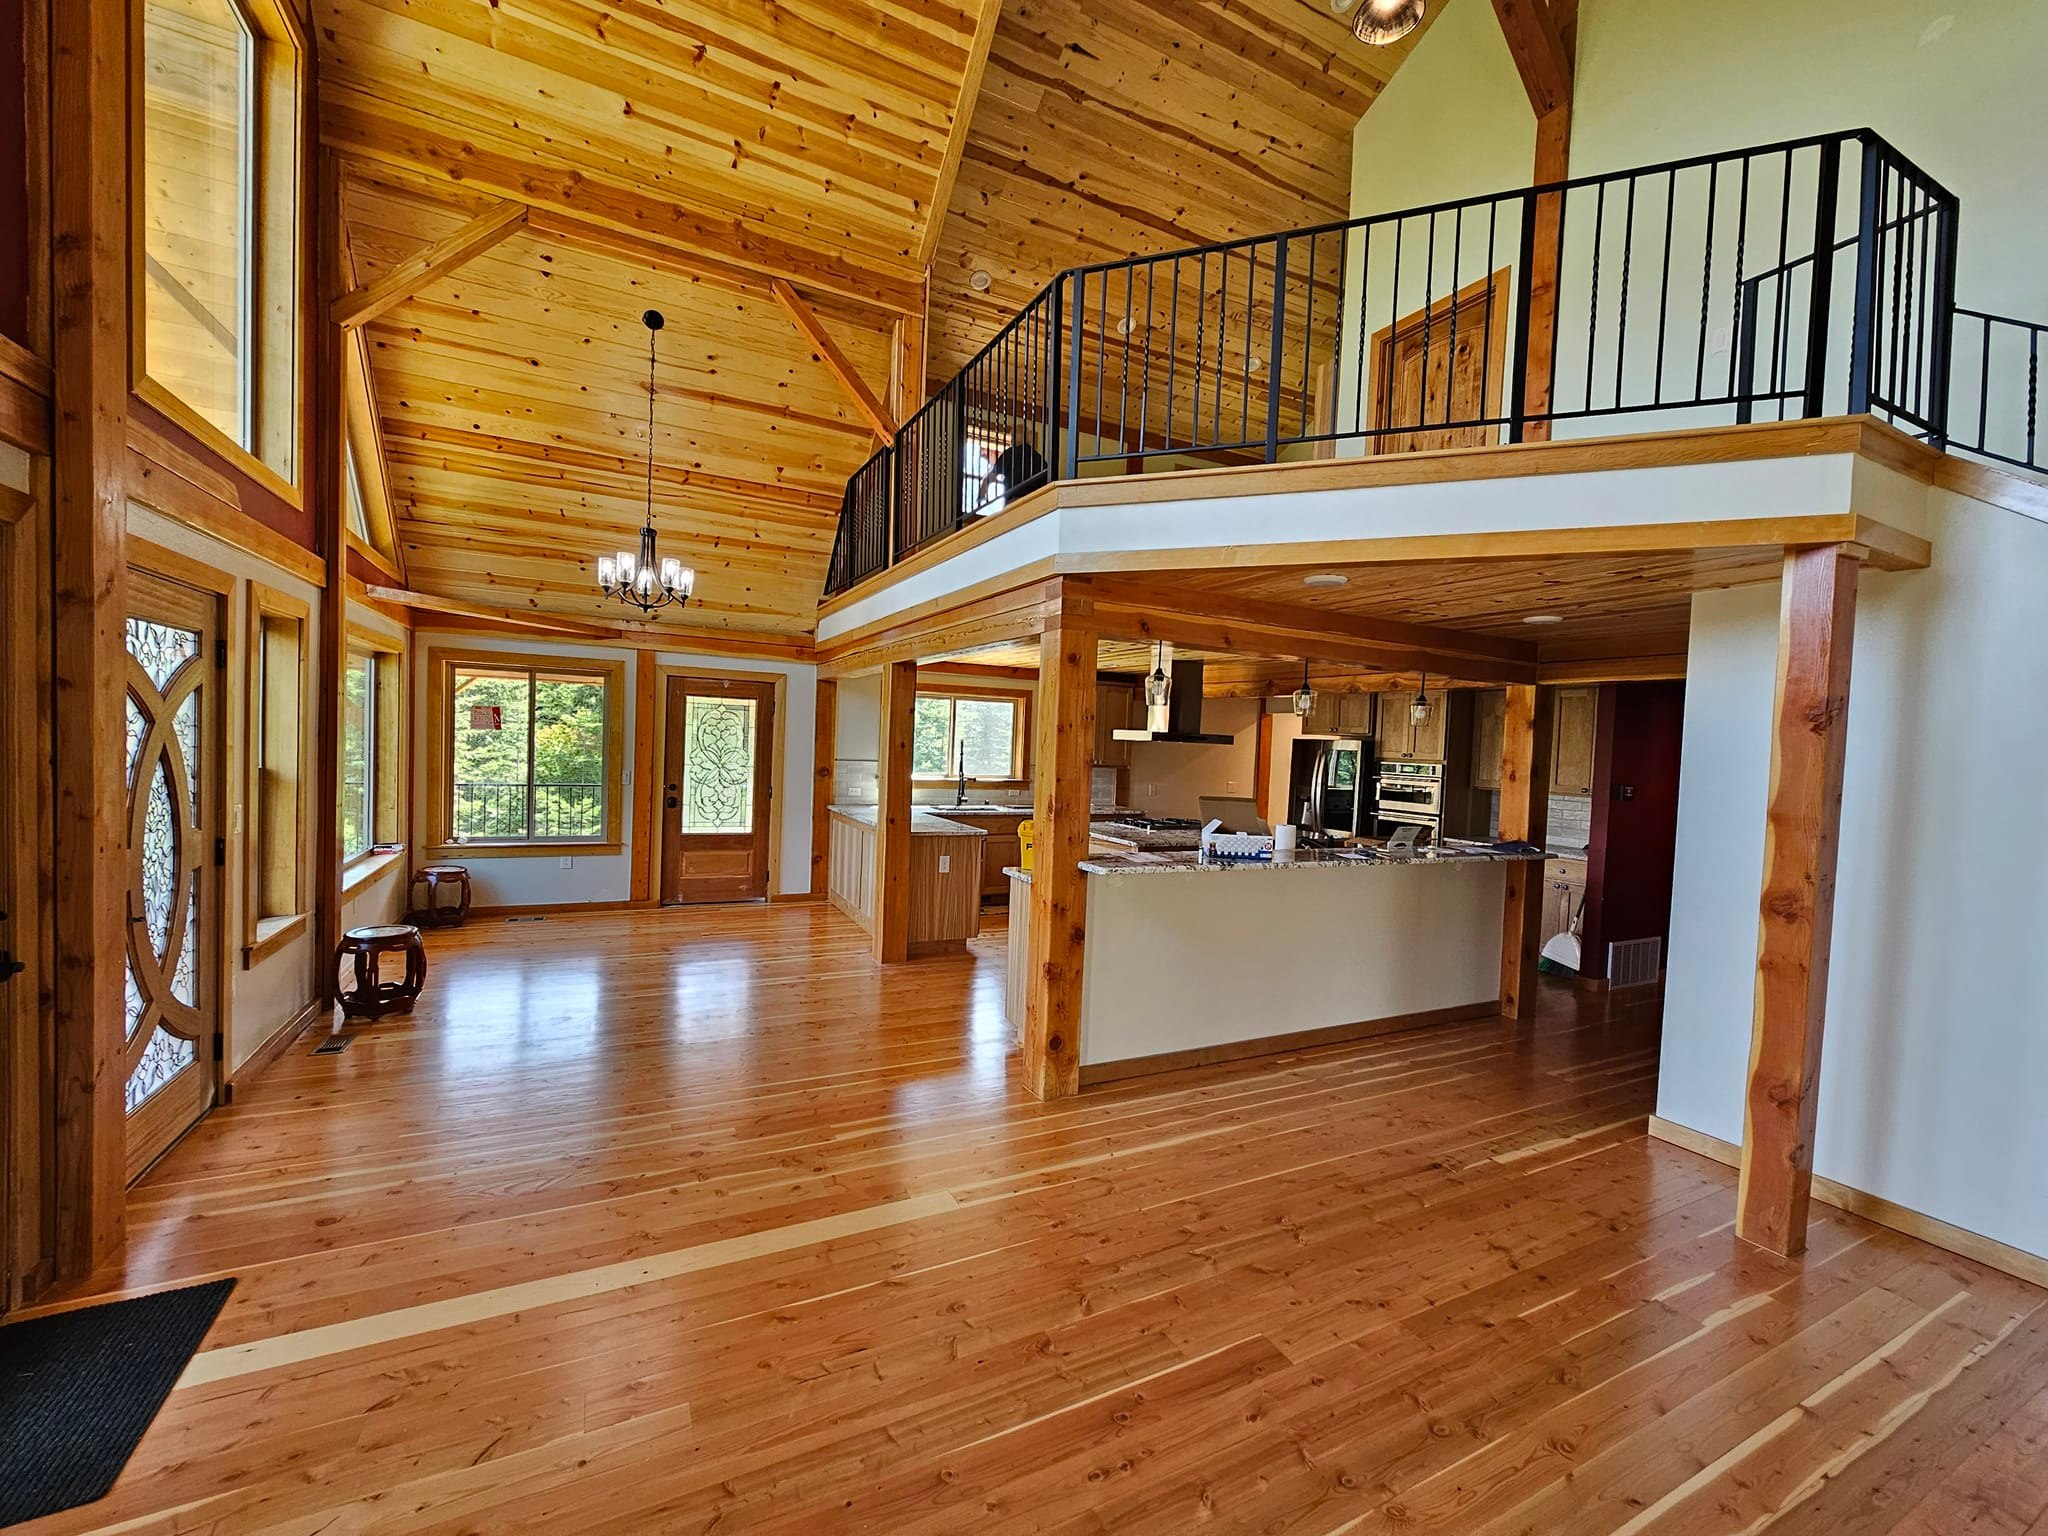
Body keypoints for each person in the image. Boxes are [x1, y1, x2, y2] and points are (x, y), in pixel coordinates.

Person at [976, 439, 1049, 512]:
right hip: (1037, 502)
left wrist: (981, 496)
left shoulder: (1010, 454)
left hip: (1015, 501)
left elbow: (990, 476)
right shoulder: (1037, 457)